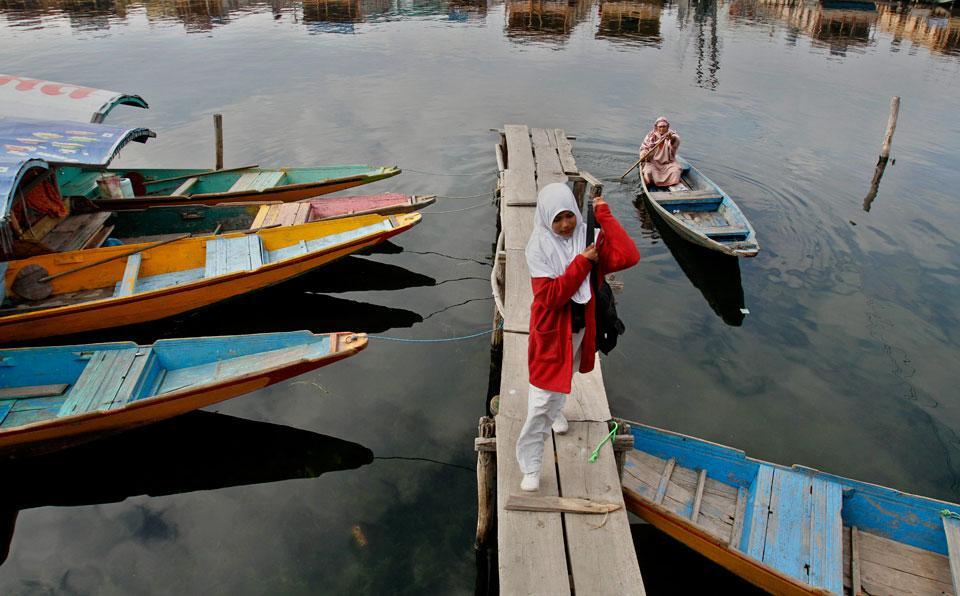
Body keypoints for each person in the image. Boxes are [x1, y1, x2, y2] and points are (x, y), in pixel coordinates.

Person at [516, 183, 640, 492]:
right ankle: (530, 465)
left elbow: (629, 256)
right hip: (551, 333)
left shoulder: (589, 237)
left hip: (581, 328)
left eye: (569, 215)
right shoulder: (538, 247)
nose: (565, 225)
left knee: (567, 375)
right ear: (546, 219)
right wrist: (583, 261)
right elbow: (551, 297)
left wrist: (604, 214)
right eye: (557, 219)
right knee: (540, 401)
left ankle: (557, 410)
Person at [640, 116, 682, 188]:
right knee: (648, 172)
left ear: (667, 126)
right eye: (660, 127)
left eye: (664, 127)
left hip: (668, 163)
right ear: (656, 127)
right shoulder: (651, 136)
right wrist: (643, 153)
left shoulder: (671, 135)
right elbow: (644, 147)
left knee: (676, 171)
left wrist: (671, 138)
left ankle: (670, 183)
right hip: (652, 163)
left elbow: (675, 140)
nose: (662, 129)